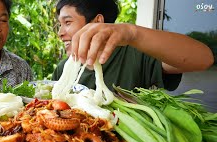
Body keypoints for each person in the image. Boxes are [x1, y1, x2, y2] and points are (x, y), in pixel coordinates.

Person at [52, 0, 214, 91]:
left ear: (97, 21)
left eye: (67, 22)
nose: (60, 33)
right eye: (60, 25)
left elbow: (203, 59)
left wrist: (132, 33)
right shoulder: (62, 69)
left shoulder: (135, 55)